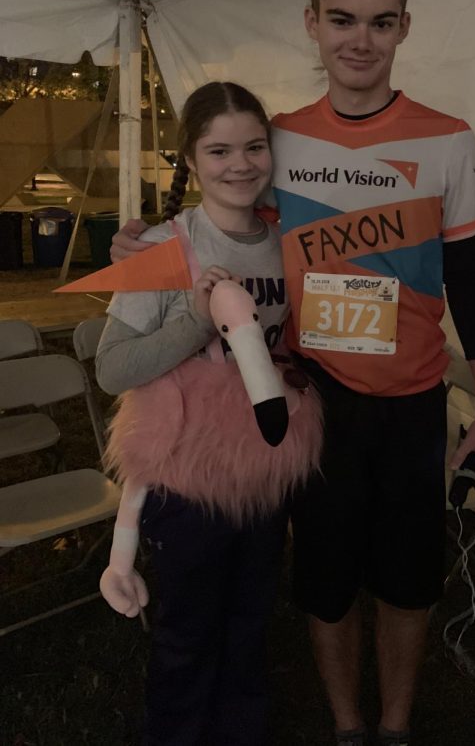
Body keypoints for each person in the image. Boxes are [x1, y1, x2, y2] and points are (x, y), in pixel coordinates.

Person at [111, 0, 475, 746]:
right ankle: (347, 727)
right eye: (342, 19)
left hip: (411, 404)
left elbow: (467, 278)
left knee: (406, 586)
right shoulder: (280, 136)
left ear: (404, 27)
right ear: (312, 24)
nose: (360, 40)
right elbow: (231, 213)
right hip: (316, 401)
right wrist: (144, 249)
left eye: (380, 22)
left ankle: (394, 728)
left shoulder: (447, 138)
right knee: (324, 585)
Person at [96, 81, 322, 746]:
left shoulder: (288, 242)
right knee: (187, 630)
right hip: (185, 481)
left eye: (254, 147)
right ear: (191, 161)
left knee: (252, 619)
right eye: (219, 150)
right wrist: (194, 321)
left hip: (262, 466)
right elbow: (113, 367)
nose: (240, 164)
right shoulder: (162, 250)